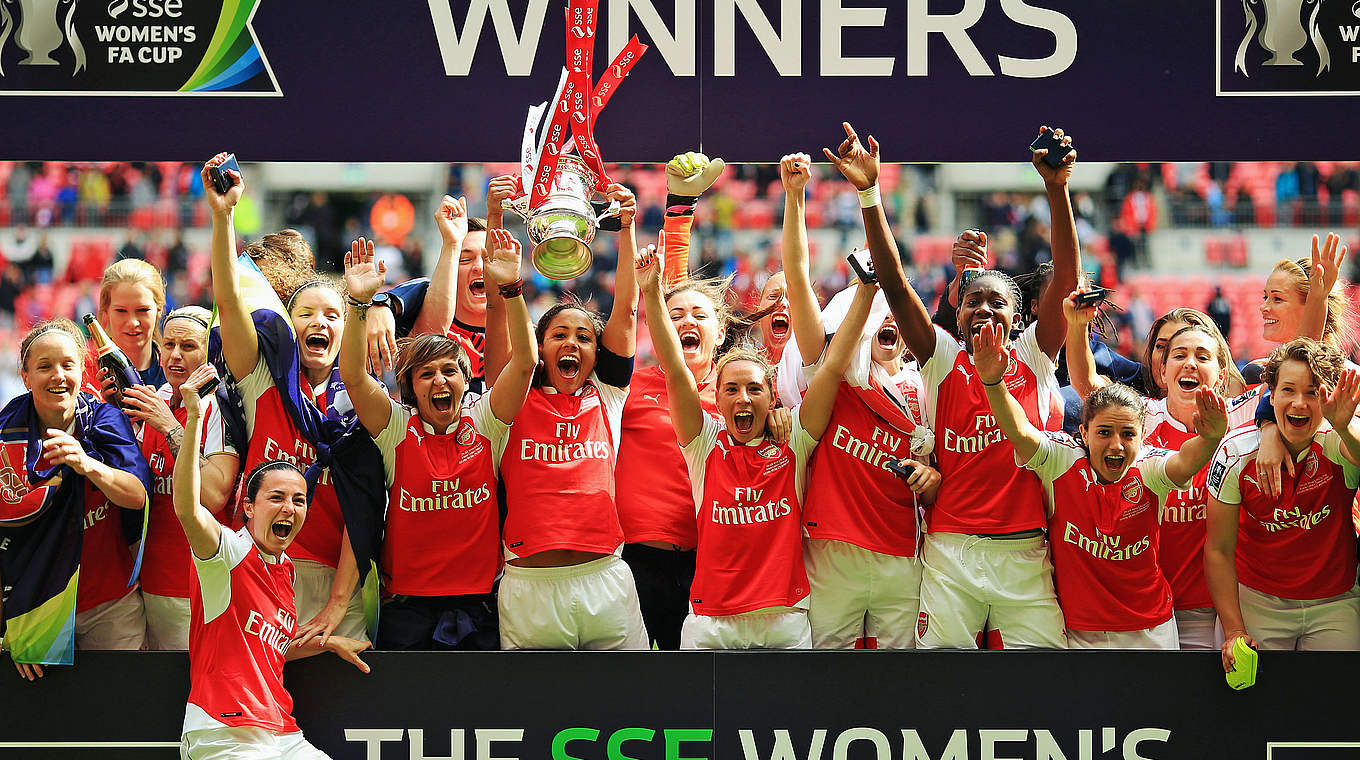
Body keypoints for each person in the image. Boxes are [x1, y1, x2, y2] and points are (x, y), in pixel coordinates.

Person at [831, 121, 1078, 649]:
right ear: (958, 314)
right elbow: (894, 283)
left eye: (997, 302)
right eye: (973, 300)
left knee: (1050, 687)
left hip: (1024, 551)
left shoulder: (1035, 355)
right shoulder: (942, 360)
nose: (984, 308)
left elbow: (1064, 280)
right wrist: (870, 193)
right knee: (940, 685)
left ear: (1019, 316)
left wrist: (1056, 191)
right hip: (951, 551)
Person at [639, 244, 866, 649]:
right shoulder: (704, 443)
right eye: (732, 389)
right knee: (698, 716)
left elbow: (831, 367)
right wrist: (652, 294)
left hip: (784, 617)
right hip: (711, 621)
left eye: (754, 389)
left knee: (785, 716)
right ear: (717, 398)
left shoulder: (793, 438)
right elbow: (675, 369)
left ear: (771, 394)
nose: (743, 398)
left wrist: (865, 292)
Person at [977, 321, 1229, 648]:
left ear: (1142, 435)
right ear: (1083, 433)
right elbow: (1021, 431)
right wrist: (993, 381)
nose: (1116, 445)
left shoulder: (1149, 467)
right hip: (1083, 632)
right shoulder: (1062, 461)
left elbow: (1185, 461)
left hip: (1150, 630)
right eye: (1104, 433)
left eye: (1128, 435)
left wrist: (1210, 438)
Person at [338, 231, 535, 650]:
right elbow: (354, 376)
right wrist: (358, 305)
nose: (439, 380)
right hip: (407, 614)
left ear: (467, 379)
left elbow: (526, 362)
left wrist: (513, 289)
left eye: (449, 370)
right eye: (426, 374)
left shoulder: (486, 422)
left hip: (480, 610)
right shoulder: (395, 427)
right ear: (409, 385)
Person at [778, 151, 941, 649]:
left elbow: (941, 481)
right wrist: (795, 196)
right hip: (831, 551)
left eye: (898, 322)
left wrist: (931, 478)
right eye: (877, 319)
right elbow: (798, 277)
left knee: (899, 691)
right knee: (827, 685)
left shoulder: (925, 392)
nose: (890, 325)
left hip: (901, 556)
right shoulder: (832, 378)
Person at [203, 154, 367, 647]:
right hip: (261, 572)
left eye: (332, 314)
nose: (320, 322)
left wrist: (340, 602)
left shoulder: (365, 403)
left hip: (338, 587)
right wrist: (223, 217)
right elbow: (230, 302)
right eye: (306, 314)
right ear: (287, 327)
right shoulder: (263, 385)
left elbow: (367, 508)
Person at [173, 364, 371, 760]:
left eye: (299, 500)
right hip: (225, 729)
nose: (289, 508)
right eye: (276, 497)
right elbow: (188, 509)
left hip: (281, 730)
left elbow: (273, 647)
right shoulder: (226, 553)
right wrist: (194, 418)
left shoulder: (285, 570)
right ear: (248, 506)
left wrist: (328, 644)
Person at [492, 183, 650, 650]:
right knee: (535, 717)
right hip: (529, 587)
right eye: (558, 334)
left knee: (631, 712)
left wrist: (626, 225)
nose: (572, 343)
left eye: (584, 337)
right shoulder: (510, 400)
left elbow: (627, 306)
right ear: (538, 350)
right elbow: (500, 317)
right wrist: (495, 218)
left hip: (606, 579)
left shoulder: (608, 395)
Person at [615, 152, 730, 650]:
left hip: (710, 560)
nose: (686, 322)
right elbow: (666, 293)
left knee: (698, 691)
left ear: (721, 331)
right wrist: (679, 208)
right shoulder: (628, 386)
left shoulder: (739, 392)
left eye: (700, 316)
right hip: (635, 561)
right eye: (674, 315)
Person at [2, 319, 152, 680]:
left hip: (111, 605)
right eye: (44, 366)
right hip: (38, 605)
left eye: (68, 365)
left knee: (123, 717)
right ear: (25, 376)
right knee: (48, 725)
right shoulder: (6, 436)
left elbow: (137, 495)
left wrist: (86, 464)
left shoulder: (104, 419)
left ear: (82, 371)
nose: (58, 376)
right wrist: (15, 621)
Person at [1207, 339, 1360, 668]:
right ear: (1270, 395)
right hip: (1257, 602)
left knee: (1339, 709)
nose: (1300, 403)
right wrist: (1234, 631)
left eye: (1313, 392)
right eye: (1288, 390)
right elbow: (1218, 550)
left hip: (1335, 602)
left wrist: (1345, 427)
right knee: (1256, 711)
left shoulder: (1339, 439)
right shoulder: (1235, 454)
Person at [122, 306, 240, 650]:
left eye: (188, 347)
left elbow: (215, 494)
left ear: (210, 355)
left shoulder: (219, 407)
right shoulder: (153, 400)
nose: (175, 355)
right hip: (147, 584)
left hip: (197, 588)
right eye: (168, 345)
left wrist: (170, 426)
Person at [94, 258, 168, 394]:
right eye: (121, 311)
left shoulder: (176, 372)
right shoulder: (82, 373)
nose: (132, 322)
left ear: (159, 310)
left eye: (142, 310)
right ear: (106, 311)